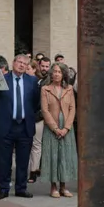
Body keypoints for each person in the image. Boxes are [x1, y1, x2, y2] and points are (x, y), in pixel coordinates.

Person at [0, 54, 38, 199]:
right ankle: (4, 188)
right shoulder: (1, 79)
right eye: (19, 62)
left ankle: (21, 188)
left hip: (25, 126)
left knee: (23, 160)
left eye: (25, 63)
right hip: (6, 125)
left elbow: (36, 102)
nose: (21, 65)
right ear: (13, 63)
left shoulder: (32, 81)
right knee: (4, 160)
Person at [39, 62, 77, 198]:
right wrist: (55, 128)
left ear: (63, 74)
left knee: (64, 156)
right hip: (51, 128)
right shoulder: (45, 89)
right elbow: (44, 110)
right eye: (54, 71)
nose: (56, 74)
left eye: (59, 72)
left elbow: (72, 108)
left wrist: (66, 128)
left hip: (67, 127)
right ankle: (53, 186)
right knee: (53, 155)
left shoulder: (69, 89)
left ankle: (63, 187)